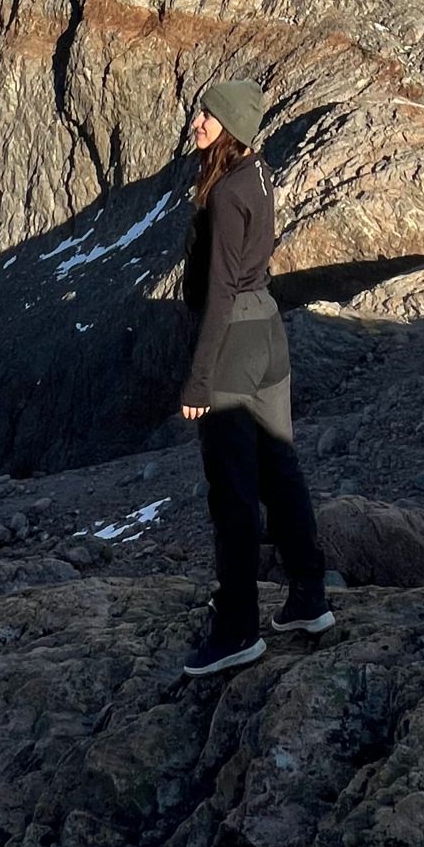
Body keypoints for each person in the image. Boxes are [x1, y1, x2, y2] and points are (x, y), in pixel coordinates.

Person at [177, 77, 332, 677]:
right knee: (281, 468)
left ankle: (238, 627)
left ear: (232, 129)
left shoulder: (223, 195)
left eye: (208, 117)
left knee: (233, 489)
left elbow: (217, 293)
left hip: (236, 343)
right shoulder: (258, 175)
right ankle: (308, 597)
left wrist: (198, 381)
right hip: (270, 330)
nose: (197, 123)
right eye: (199, 113)